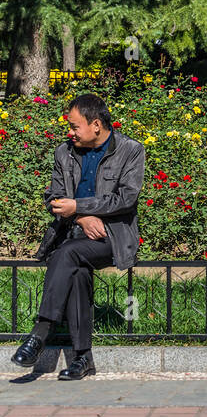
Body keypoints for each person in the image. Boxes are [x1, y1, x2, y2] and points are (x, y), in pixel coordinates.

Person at [10, 93, 145, 380]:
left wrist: (79, 206)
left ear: (96, 125)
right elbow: (53, 197)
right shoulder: (64, 152)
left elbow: (126, 198)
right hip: (72, 234)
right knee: (76, 269)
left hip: (112, 236)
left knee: (68, 255)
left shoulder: (131, 150)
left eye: (75, 127)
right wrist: (80, 216)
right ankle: (83, 359)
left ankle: (40, 332)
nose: (70, 133)